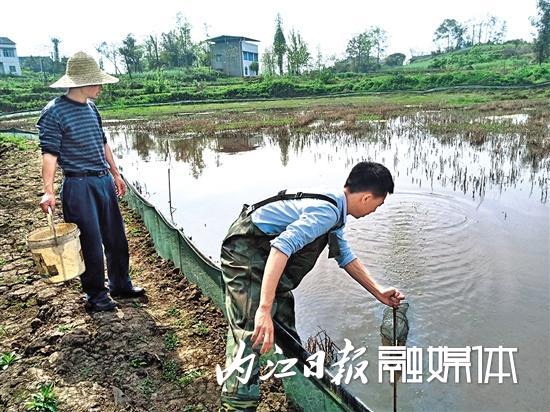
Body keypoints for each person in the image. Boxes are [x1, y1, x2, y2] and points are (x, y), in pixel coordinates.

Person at [219, 161, 405, 410]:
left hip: (260, 253)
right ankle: (238, 403)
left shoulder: (335, 209)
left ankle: (296, 382)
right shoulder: (327, 212)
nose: (375, 211)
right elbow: (281, 248)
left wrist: (379, 292)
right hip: (244, 252)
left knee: (283, 318)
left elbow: (345, 257)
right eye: (378, 205)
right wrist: (263, 309)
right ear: (367, 197)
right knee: (252, 328)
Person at [37, 51, 144, 312]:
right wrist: (48, 191)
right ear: (81, 83)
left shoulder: (91, 108)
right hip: (79, 185)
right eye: (97, 82)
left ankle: (120, 284)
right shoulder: (54, 112)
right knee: (91, 242)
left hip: (102, 180)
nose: (101, 87)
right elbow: (49, 154)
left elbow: (103, 143)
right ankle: (96, 295)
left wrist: (115, 174)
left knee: (116, 238)